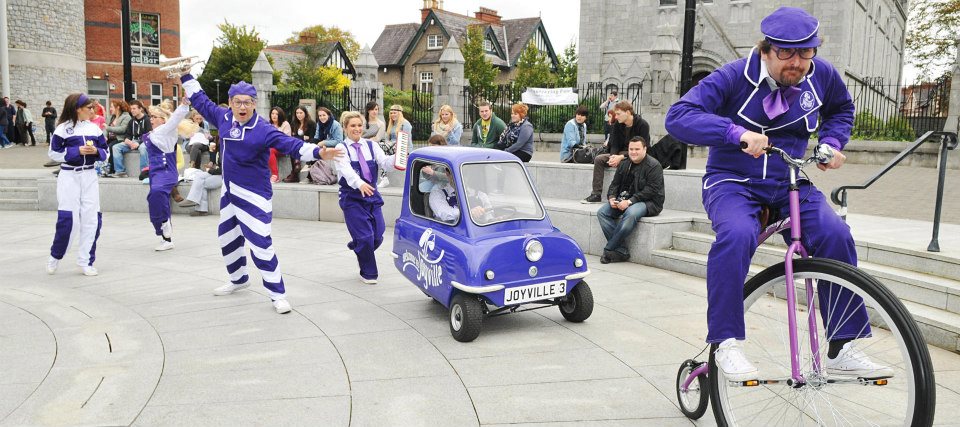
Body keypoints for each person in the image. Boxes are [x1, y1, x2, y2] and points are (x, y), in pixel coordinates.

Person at [665, 6, 886, 381]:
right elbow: (679, 116)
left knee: (835, 233)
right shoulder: (734, 75)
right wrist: (734, 133)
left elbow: (842, 109)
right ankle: (727, 343)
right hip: (732, 181)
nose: (797, 63)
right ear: (766, 49)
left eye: (806, 52)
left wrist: (832, 142)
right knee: (735, 235)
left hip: (790, 183)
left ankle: (841, 346)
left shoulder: (822, 76)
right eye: (786, 53)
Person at [180, 72, 342, 314]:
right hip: (230, 192)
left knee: (260, 244)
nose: (242, 106)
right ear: (231, 102)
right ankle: (239, 279)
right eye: (238, 102)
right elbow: (201, 100)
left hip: (255, 194)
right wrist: (185, 75)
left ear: (254, 104)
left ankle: (278, 294)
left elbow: (292, 145)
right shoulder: (223, 117)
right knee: (227, 238)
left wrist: (319, 153)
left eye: (247, 102)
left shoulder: (264, 129)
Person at [46, 93, 108, 276]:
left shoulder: (95, 129)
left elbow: (106, 151)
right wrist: (76, 151)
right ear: (77, 109)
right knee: (69, 219)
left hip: (89, 175)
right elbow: (53, 153)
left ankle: (86, 261)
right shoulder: (62, 129)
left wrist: (96, 150)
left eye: (93, 107)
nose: (92, 110)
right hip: (69, 177)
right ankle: (55, 257)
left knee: (92, 218)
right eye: (89, 107)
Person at [333, 110, 396, 285]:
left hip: (372, 195)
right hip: (352, 197)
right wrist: (359, 183)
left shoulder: (371, 145)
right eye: (353, 125)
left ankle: (360, 246)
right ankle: (369, 273)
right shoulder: (341, 148)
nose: (357, 129)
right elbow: (345, 169)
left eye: (360, 125)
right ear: (345, 128)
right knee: (366, 237)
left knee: (377, 234)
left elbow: (384, 162)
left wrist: (398, 158)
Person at [596, 136, 664, 264]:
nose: (633, 152)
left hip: (649, 202)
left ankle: (608, 249)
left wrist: (629, 201)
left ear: (645, 149)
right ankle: (621, 250)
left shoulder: (654, 166)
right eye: (631, 149)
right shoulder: (625, 164)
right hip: (625, 199)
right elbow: (615, 184)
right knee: (602, 213)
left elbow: (651, 190)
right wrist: (611, 198)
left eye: (637, 149)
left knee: (631, 213)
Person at [143, 100, 192, 251]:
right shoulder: (155, 133)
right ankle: (166, 237)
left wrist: (183, 105)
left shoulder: (167, 129)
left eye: (154, 116)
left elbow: (175, 118)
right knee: (154, 199)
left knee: (157, 194)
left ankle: (165, 225)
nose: (151, 119)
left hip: (166, 171)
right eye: (150, 116)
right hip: (155, 173)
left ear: (163, 119)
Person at [581, 100, 650, 203]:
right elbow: (614, 144)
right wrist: (613, 157)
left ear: (627, 112)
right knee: (599, 159)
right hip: (619, 154)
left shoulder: (642, 124)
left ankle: (620, 194)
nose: (616, 117)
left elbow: (643, 148)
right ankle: (596, 194)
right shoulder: (618, 124)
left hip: (636, 156)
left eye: (618, 114)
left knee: (627, 160)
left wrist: (621, 157)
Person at [111, 100, 152, 178]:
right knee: (116, 147)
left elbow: (148, 135)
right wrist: (127, 140)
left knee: (143, 148)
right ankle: (120, 172)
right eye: (131, 109)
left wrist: (138, 143)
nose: (132, 110)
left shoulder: (147, 120)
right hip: (133, 142)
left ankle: (145, 172)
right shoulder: (131, 121)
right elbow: (128, 134)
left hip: (144, 141)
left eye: (134, 108)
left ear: (140, 109)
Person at [287, 106, 316, 183]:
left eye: (301, 113)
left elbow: (312, 138)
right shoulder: (294, 123)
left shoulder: (311, 123)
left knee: (296, 142)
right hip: (297, 145)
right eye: (297, 113)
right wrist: (302, 137)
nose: (299, 115)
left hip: (308, 144)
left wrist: (301, 137)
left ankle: (297, 167)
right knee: (293, 144)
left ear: (305, 113)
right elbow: (292, 136)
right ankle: (295, 171)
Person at [103, 100, 131, 176]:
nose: (110, 109)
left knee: (111, 147)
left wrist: (108, 128)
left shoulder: (126, 117)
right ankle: (104, 169)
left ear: (117, 107)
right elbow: (105, 128)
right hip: (110, 139)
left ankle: (111, 170)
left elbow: (122, 129)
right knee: (102, 146)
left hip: (120, 139)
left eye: (111, 107)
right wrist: (105, 136)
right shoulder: (111, 117)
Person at [267, 107, 291, 183]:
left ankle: (275, 176)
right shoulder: (268, 124)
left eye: (276, 114)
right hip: (271, 147)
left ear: (280, 115)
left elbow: (285, 139)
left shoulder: (285, 124)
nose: (274, 116)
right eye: (272, 113)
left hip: (283, 148)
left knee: (270, 150)